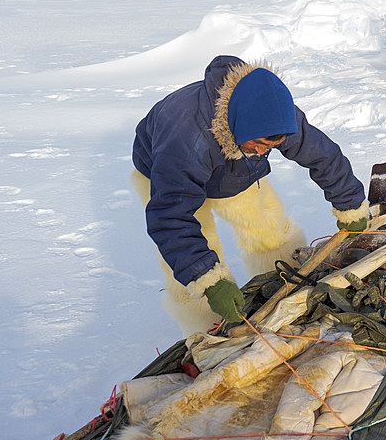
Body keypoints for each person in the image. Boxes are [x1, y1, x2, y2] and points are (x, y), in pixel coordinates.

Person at [131, 55, 369, 336]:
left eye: (271, 147)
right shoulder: (186, 141)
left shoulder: (273, 113)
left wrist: (350, 204)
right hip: (165, 176)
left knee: (267, 227)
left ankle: (285, 291)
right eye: (258, 144)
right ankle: (209, 331)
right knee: (193, 258)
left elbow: (322, 154)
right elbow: (171, 218)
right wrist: (207, 280)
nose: (263, 152)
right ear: (240, 125)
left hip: (231, 165)